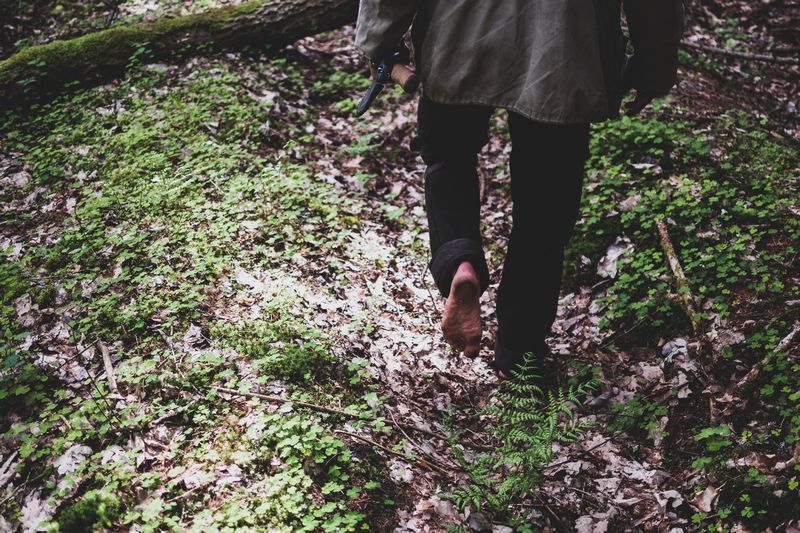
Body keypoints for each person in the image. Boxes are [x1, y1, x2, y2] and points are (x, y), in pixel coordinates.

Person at [355, 1, 684, 377]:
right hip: (564, 51)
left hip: (457, 34)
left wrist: (379, 39)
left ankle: (460, 264)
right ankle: (519, 355)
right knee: (545, 210)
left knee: (449, 159)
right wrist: (654, 62)